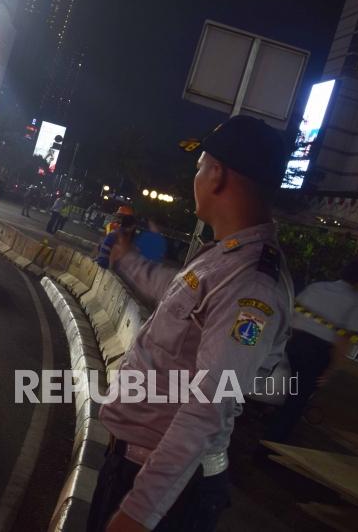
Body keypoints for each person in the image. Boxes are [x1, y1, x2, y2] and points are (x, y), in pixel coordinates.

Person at [89, 116, 293, 532]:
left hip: (165, 494)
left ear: (217, 175)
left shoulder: (251, 281)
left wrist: (137, 513)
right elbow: (174, 292)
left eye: (200, 165)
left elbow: (209, 405)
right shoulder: (223, 258)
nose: (196, 176)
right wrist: (124, 259)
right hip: (137, 468)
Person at [263, 260, 358, 444]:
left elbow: (293, 315)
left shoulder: (317, 288)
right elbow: (343, 341)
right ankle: (269, 445)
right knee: (296, 401)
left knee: (278, 384)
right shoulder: (356, 303)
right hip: (316, 354)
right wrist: (331, 370)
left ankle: (265, 418)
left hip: (294, 342)